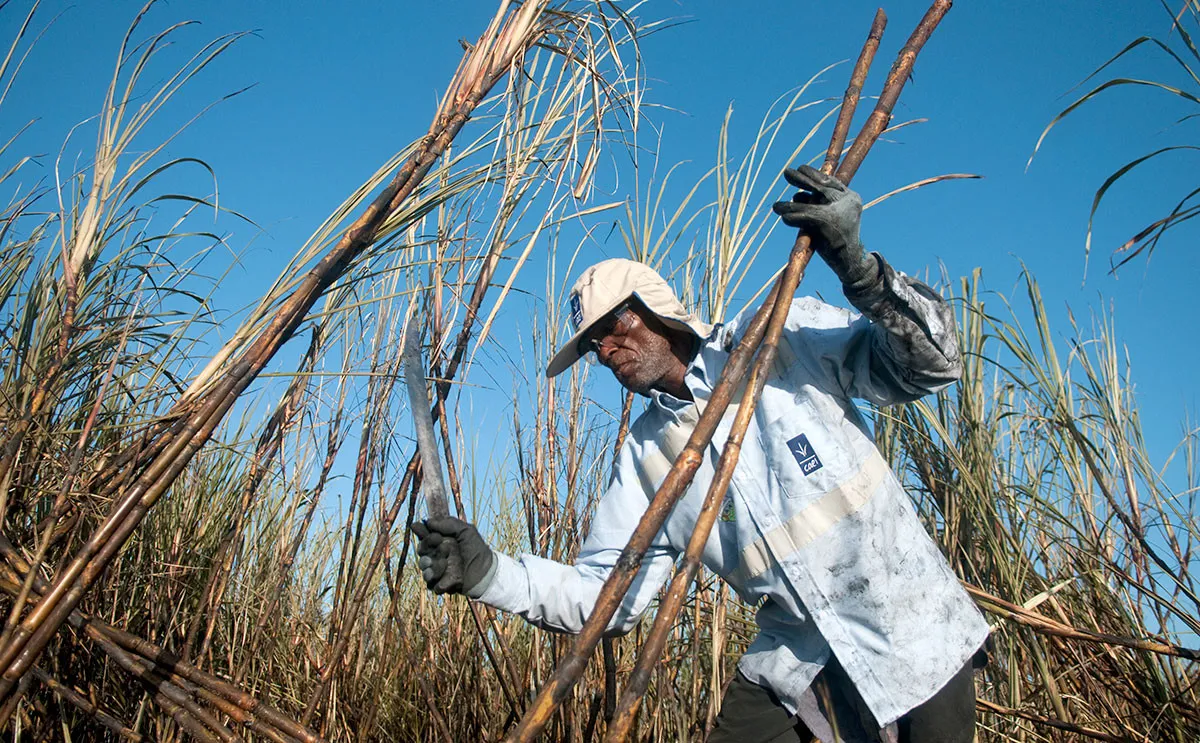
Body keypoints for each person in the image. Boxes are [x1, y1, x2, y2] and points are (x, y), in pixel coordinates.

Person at [412, 165, 989, 742]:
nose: (605, 349)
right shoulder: (647, 456)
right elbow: (607, 597)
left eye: (613, 326)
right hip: (798, 652)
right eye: (592, 345)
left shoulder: (779, 340)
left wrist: (860, 271)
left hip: (910, 625)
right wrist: (490, 574)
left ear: (656, 307)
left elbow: (933, 366)